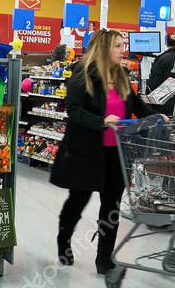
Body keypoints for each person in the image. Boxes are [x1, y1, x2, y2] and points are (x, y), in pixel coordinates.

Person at [50, 29, 153, 274]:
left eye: (122, 45)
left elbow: (136, 104)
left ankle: (104, 259)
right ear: (105, 48)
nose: (122, 50)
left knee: (111, 205)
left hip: (115, 151)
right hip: (86, 151)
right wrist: (102, 120)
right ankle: (64, 242)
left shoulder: (122, 75)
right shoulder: (82, 75)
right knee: (78, 200)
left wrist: (155, 116)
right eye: (118, 45)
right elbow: (74, 111)